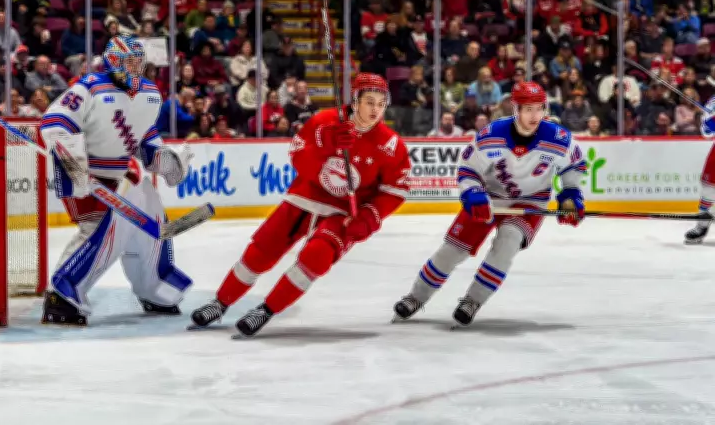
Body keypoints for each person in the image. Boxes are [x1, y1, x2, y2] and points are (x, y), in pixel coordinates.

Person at [189, 73, 411, 337]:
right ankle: (220, 302)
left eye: (380, 103)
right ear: (355, 101)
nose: (375, 110)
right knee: (262, 249)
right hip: (306, 196)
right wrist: (325, 142)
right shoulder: (326, 121)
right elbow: (297, 154)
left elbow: (394, 191)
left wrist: (370, 216)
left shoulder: (391, 145)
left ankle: (266, 310)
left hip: (343, 213)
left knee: (316, 257)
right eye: (369, 102)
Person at [393, 81, 587, 327]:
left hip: (529, 203)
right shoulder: (491, 134)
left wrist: (570, 195)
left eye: (539, 108)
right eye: (527, 109)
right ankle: (416, 297)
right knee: (452, 251)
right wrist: (473, 193)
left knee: (507, 242)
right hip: (489, 199)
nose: (534, 115)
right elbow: (468, 169)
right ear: (514, 108)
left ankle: (473, 300)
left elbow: (574, 167)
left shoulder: (560, 139)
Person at [39, 36, 195, 325]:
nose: (135, 69)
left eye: (139, 63)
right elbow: (54, 122)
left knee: (151, 217)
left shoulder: (149, 93)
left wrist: (165, 159)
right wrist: (74, 162)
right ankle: (62, 294)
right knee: (100, 230)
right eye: (129, 63)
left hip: (120, 173)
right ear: (113, 61)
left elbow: (144, 138)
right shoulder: (89, 88)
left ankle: (155, 288)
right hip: (83, 173)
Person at [684, 96, 715, 244]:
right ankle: (702, 225)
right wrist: (709, 123)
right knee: (708, 188)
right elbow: (706, 132)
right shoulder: (713, 101)